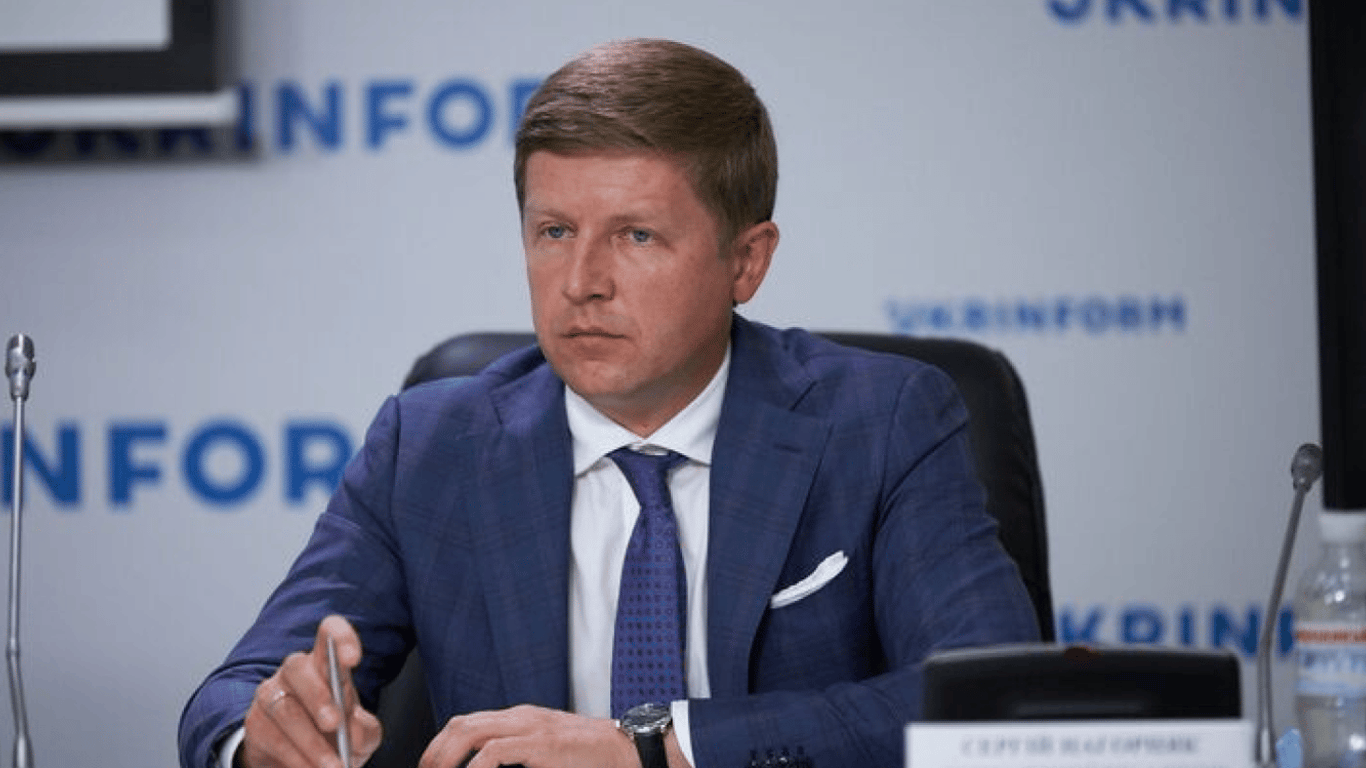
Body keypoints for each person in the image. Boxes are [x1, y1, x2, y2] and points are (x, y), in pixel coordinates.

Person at [179, 38, 1039, 768]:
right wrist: (265, 737)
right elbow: (234, 696)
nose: (582, 282)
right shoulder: (431, 445)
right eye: (555, 232)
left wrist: (656, 747)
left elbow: (990, 703)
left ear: (747, 261)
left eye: (636, 235)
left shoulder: (880, 423)